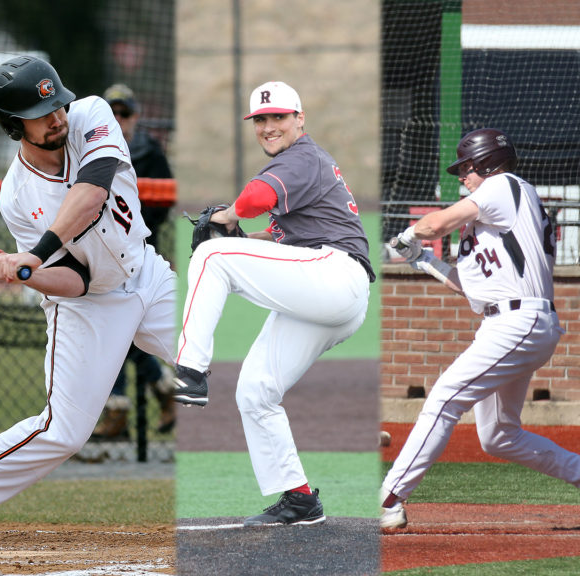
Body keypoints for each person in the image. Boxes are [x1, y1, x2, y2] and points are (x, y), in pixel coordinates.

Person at [0, 56, 176, 518]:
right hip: (90, 307)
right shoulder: (16, 195)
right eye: (40, 115)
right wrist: (31, 273)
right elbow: (76, 282)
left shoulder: (91, 114)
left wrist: (34, 255)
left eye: (57, 105)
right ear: (12, 125)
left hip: (146, 273)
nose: (56, 117)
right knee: (62, 431)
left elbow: (92, 192)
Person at [173, 81, 374, 526]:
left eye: (278, 117)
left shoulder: (301, 157)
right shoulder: (305, 164)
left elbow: (254, 200)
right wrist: (246, 238)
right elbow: (286, 238)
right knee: (256, 392)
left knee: (211, 255)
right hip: (327, 287)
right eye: (261, 120)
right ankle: (300, 499)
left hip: (334, 275)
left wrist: (227, 218)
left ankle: (189, 369)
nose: (268, 127)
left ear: (300, 119)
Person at [381, 128, 579, 529]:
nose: (462, 177)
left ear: (487, 163)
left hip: (520, 320)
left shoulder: (503, 185)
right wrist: (421, 259)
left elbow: (436, 224)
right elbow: (468, 288)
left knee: (443, 398)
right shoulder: (488, 224)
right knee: (499, 436)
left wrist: (407, 235)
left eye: (466, 168)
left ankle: (390, 497)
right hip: (506, 321)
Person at [91, 83, 175, 439]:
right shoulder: (91, 149)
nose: (120, 119)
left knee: (120, 332)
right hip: (104, 259)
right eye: (113, 112)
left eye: (125, 113)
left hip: (138, 255)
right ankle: (161, 390)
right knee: (121, 333)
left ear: (136, 117)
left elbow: (165, 200)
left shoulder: (146, 149)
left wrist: (135, 225)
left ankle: (121, 409)